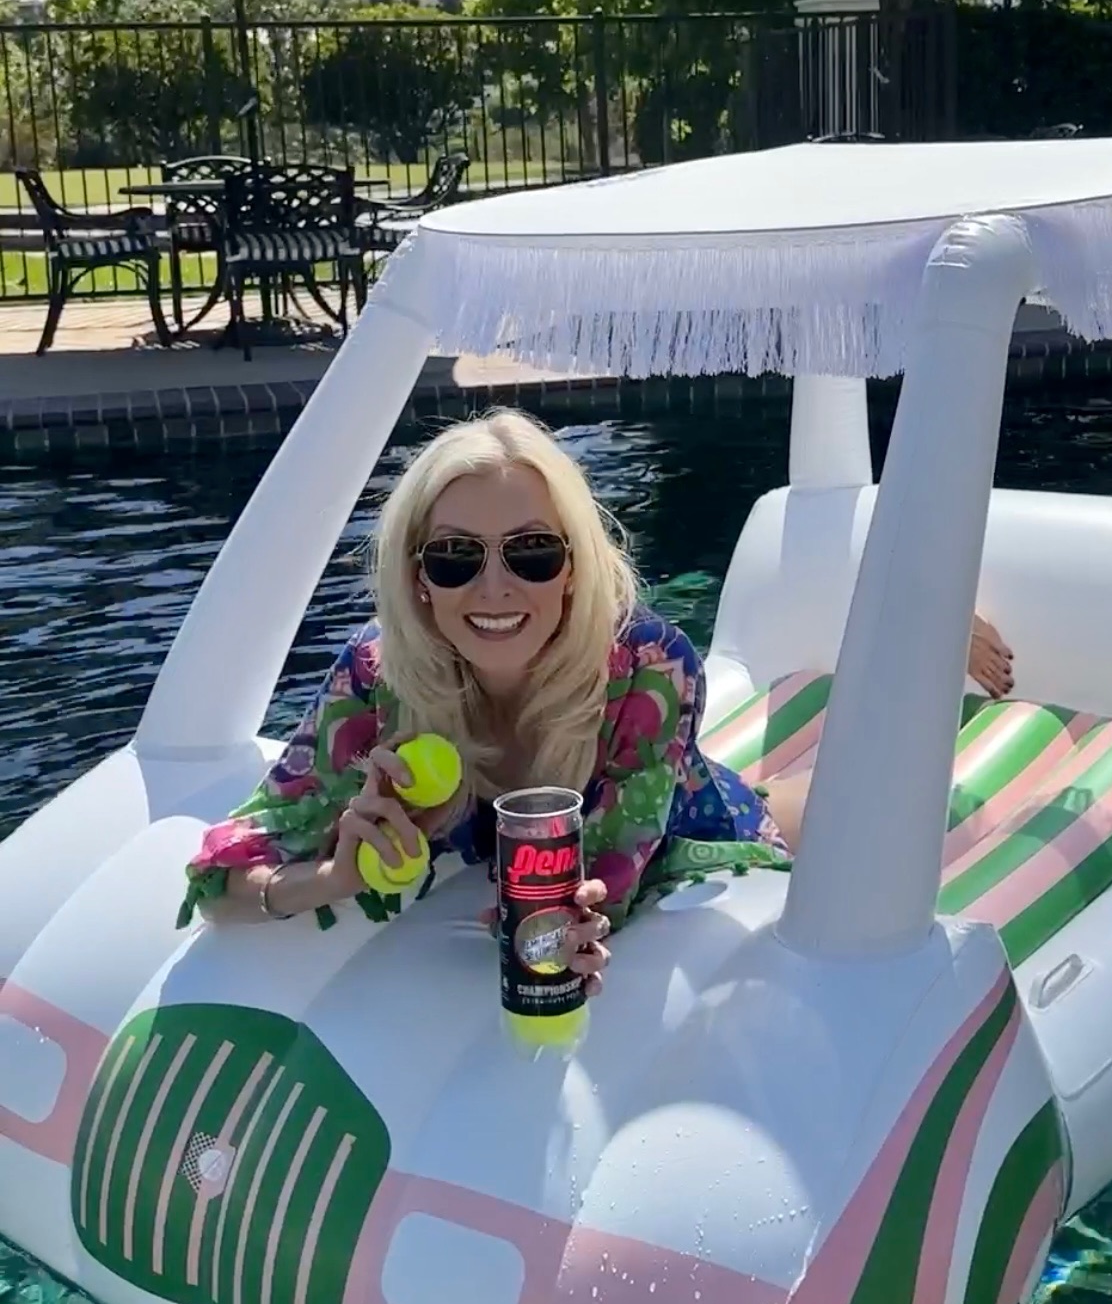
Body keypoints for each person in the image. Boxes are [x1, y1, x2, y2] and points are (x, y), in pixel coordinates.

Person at [180, 410, 1014, 995]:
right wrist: (331, 876)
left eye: (533, 553)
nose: (495, 587)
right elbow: (220, 875)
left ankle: (924, 632)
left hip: (690, 833)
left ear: (574, 567)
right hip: (643, 798)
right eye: (456, 556)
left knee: (891, 797)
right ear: (416, 578)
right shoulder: (377, 681)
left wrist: (568, 927)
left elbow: (602, 885)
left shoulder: (649, 667)